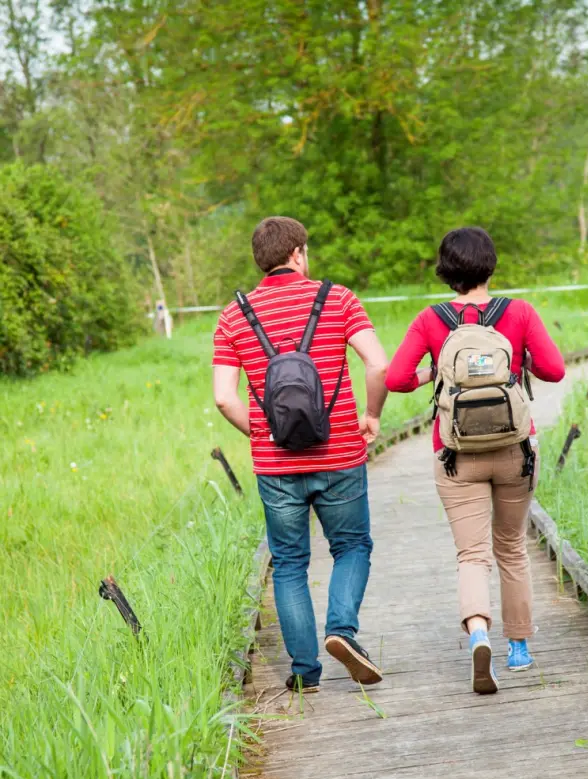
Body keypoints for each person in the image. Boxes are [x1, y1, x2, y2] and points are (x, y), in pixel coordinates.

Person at [385, 227, 565, 694]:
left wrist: (434, 373)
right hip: (515, 450)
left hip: (455, 456)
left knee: (472, 554)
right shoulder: (519, 312)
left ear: (446, 271)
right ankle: (520, 647)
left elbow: (397, 377)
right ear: (490, 265)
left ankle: (479, 631)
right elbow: (554, 369)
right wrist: (515, 361)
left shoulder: (431, 319)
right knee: (511, 547)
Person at [213, 216, 389, 693]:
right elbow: (378, 363)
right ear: (298, 254)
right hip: (340, 456)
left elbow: (224, 398)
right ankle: (341, 631)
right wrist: (371, 415)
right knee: (352, 546)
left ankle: (304, 672)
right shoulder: (338, 298)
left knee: (289, 562)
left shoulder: (234, 314)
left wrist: (266, 432)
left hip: (276, 466)